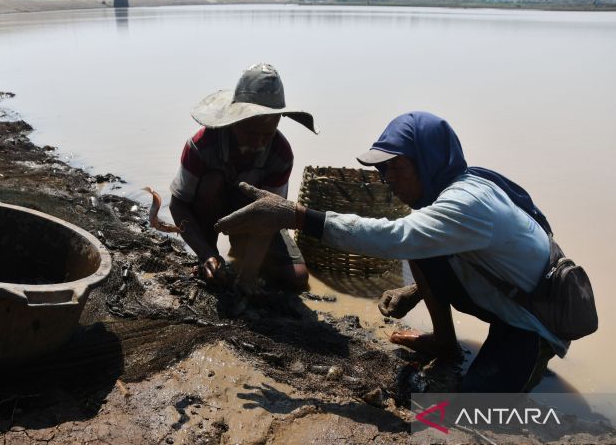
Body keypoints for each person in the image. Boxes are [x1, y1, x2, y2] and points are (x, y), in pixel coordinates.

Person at [215, 111, 566, 392]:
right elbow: (445, 246)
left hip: (531, 321)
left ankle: (530, 357)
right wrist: (417, 289)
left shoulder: (466, 202)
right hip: (507, 293)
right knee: (420, 244)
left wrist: (296, 215)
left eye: (395, 168)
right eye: (382, 170)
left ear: (427, 161)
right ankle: (445, 342)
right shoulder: (456, 185)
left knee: (472, 410)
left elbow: (397, 237)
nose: (387, 179)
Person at [169, 63, 318, 295]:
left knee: (297, 278)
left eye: (267, 135)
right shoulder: (202, 145)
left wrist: (248, 275)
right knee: (212, 182)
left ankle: (240, 249)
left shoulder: (280, 154)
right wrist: (206, 253)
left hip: (257, 219)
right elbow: (178, 204)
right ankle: (211, 253)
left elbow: (271, 216)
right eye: (251, 133)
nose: (259, 143)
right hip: (211, 212)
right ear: (235, 120)